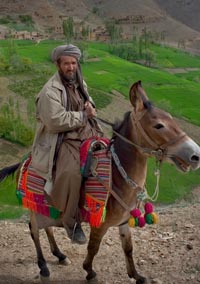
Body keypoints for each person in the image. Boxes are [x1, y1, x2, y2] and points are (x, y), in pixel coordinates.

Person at [31, 44, 103, 244]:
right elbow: (54, 122)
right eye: (66, 63)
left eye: (73, 63)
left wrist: (91, 106)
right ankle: (71, 223)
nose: (70, 67)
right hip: (62, 138)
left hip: (85, 131)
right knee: (73, 172)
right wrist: (83, 115)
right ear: (58, 64)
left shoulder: (79, 82)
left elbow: (89, 101)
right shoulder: (49, 91)